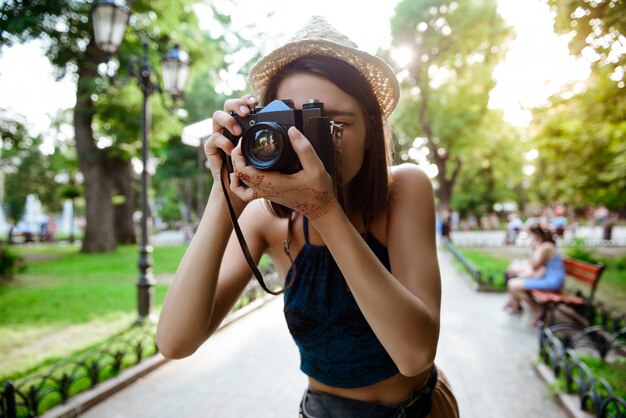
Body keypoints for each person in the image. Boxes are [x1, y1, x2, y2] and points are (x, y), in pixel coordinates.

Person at [156, 16, 458, 418]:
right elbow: (176, 342)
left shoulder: (405, 188)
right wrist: (223, 193)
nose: (309, 144)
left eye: (333, 123)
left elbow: (414, 354)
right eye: (295, 124)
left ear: (371, 129)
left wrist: (324, 209)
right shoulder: (264, 218)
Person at [504, 223, 564, 323]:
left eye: (530, 235)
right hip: (547, 278)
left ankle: (537, 308)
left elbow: (535, 266)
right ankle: (516, 305)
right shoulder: (544, 246)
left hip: (552, 281)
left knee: (513, 284)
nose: (529, 237)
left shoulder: (546, 247)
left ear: (536, 235)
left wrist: (534, 249)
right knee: (513, 282)